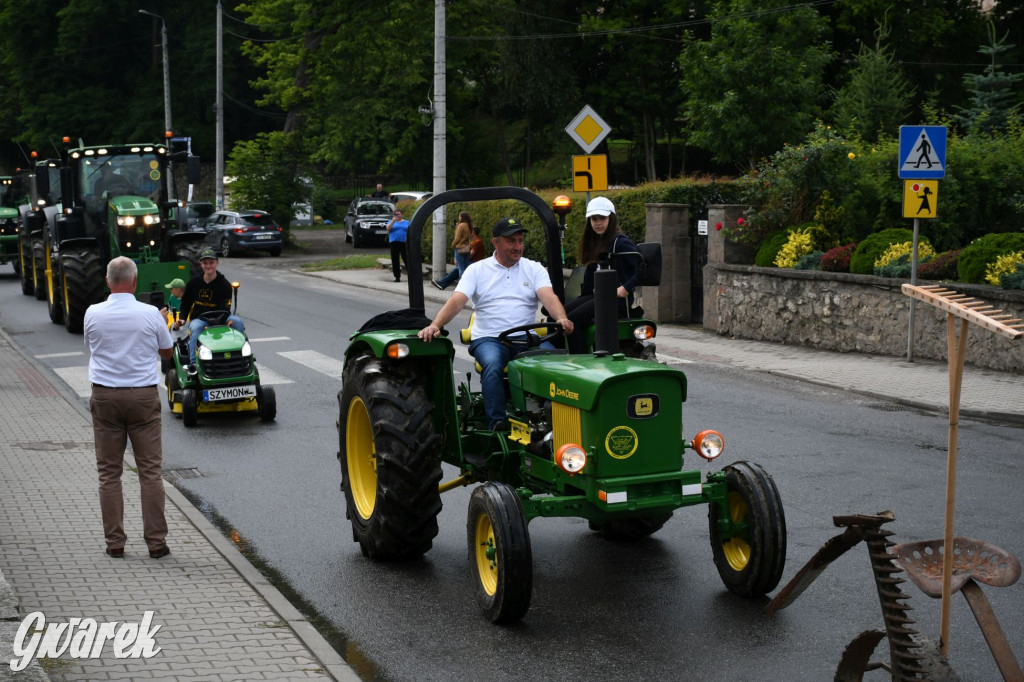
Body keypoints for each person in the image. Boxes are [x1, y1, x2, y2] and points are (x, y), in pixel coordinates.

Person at [418, 217, 574, 430]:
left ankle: (557, 423)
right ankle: (497, 424)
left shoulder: (534, 268)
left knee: (559, 364)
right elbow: (457, 301)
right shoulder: (477, 270)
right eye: (511, 241)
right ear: (496, 243)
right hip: (490, 339)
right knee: (492, 365)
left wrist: (561, 318)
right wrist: (435, 325)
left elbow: (548, 297)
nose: (517, 247)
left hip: (527, 339)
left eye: (520, 241)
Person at [83, 257, 174, 559]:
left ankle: (115, 544)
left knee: (109, 473)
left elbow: (93, 345)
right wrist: (159, 322)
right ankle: (156, 544)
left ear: (108, 282)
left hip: (106, 397)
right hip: (143, 397)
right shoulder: (150, 314)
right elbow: (166, 350)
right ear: (135, 282)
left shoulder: (92, 313)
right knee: (150, 472)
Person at [564, 196, 640, 354]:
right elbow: (591, 277)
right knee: (558, 315)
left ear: (611, 219)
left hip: (615, 300)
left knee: (571, 321)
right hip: (597, 296)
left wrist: (625, 288)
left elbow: (643, 269)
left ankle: (578, 360)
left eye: (602, 218)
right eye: (594, 218)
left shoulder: (620, 243)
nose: (598, 223)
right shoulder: (596, 242)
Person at [172, 248, 245, 365]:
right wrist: (182, 318)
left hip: (222, 317)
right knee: (196, 328)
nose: (208, 266)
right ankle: (193, 364)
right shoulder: (194, 283)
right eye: (205, 263)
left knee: (237, 322)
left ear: (217, 263)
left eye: (211, 263)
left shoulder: (224, 284)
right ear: (201, 264)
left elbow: (225, 309)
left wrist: (218, 320)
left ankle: (242, 357)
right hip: (200, 319)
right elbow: (185, 303)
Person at [432, 211, 473, 290]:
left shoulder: (461, 226)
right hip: (466, 249)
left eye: (459, 216)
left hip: (460, 248)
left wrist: (453, 245)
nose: (459, 217)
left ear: (461, 217)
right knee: (463, 267)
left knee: (461, 269)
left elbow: (457, 238)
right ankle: (443, 283)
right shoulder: (468, 225)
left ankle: (462, 287)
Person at [385, 209, 410, 282]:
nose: (397, 216)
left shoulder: (406, 222)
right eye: (396, 214)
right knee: (395, 259)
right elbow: (388, 229)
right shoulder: (391, 221)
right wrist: (393, 221)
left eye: (398, 214)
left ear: (402, 214)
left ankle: (411, 275)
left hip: (403, 242)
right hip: (394, 242)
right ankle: (397, 276)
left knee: (406, 259)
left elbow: (410, 230)